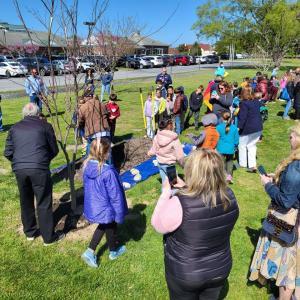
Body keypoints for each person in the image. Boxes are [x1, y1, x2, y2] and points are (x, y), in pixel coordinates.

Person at [151, 149, 239, 300]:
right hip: (219, 268)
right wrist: (185, 187)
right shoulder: (230, 196)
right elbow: (205, 202)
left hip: (186, 274)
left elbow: (157, 224)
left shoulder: (180, 203)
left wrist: (166, 192)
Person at [249, 123, 300, 300]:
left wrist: (268, 185)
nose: (289, 138)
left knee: (287, 268)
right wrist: (277, 179)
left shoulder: (296, 167)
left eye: (292, 136)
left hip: (289, 221)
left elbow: (286, 201)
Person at [4, 103, 64, 245]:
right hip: (38, 168)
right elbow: (54, 149)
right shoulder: (45, 126)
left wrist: (19, 163)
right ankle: (48, 238)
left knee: (25, 200)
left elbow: (8, 152)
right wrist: (43, 160)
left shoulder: (14, 128)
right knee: (43, 201)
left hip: (20, 169)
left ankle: (30, 232)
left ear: (23, 114)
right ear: (38, 113)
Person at [81, 138, 128, 268]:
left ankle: (94, 251)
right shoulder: (108, 172)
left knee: (105, 225)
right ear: (105, 153)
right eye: (109, 151)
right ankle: (112, 252)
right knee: (110, 225)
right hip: (107, 206)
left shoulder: (87, 166)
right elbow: (115, 195)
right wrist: (119, 213)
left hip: (95, 204)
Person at [147, 118, 185, 184]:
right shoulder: (174, 139)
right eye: (172, 124)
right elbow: (179, 155)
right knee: (174, 185)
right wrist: (183, 164)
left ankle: (164, 193)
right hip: (170, 165)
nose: (173, 125)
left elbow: (154, 149)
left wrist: (149, 153)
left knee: (165, 184)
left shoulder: (156, 137)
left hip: (160, 163)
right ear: (169, 125)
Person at [238, 88, 263, 172]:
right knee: (252, 145)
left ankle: (243, 163)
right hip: (258, 128)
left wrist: (238, 127)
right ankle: (252, 165)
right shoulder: (256, 102)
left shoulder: (244, 103)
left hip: (248, 128)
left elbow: (242, 117)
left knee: (242, 145)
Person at [216, 111, 239, 184]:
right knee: (230, 163)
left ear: (222, 118)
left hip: (220, 148)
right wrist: (235, 146)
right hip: (230, 149)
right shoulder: (234, 128)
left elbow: (216, 138)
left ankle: (221, 176)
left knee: (221, 163)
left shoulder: (218, 127)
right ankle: (229, 176)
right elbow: (236, 140)